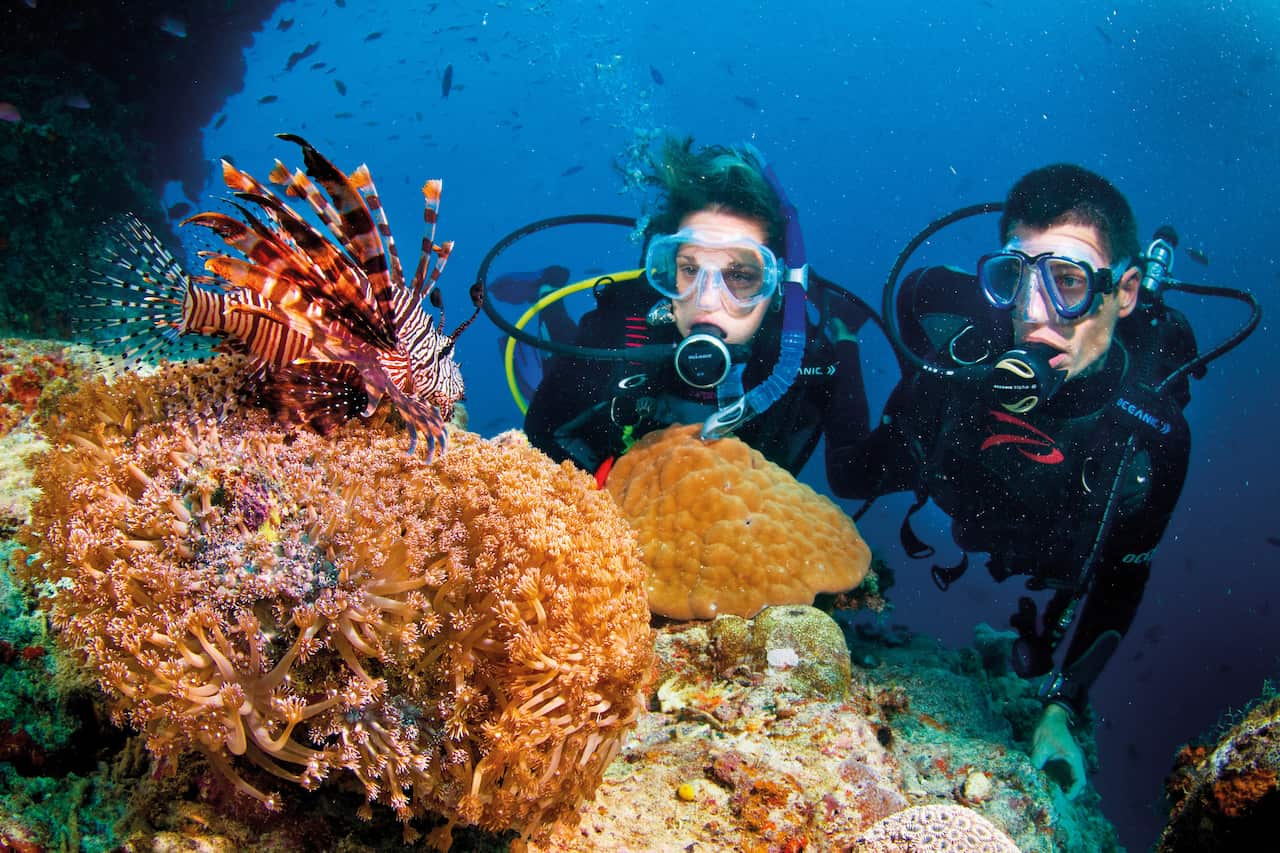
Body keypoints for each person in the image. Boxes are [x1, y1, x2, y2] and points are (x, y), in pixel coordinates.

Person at [837, 164, 1195, 798]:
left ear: (1126, 290)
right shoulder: (966, 348)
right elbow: (914, 294)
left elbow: (1120, 582)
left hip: (1044, 549)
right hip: (956, 483)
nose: (1034, 315)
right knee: (849, 475)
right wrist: (870, 369)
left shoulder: (1152, 437)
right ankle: (833, 339)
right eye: (1015, 279)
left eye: (1068, 282)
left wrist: (1060, 707)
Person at [523, 136, 874, 484]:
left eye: (739, 275)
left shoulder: (804, 362)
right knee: (562, 339)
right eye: (689, 269)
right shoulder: (625, 326)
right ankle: (548, 291)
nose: (705, 300)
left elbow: (852, 476)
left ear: (776, 285)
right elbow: (542, 430)